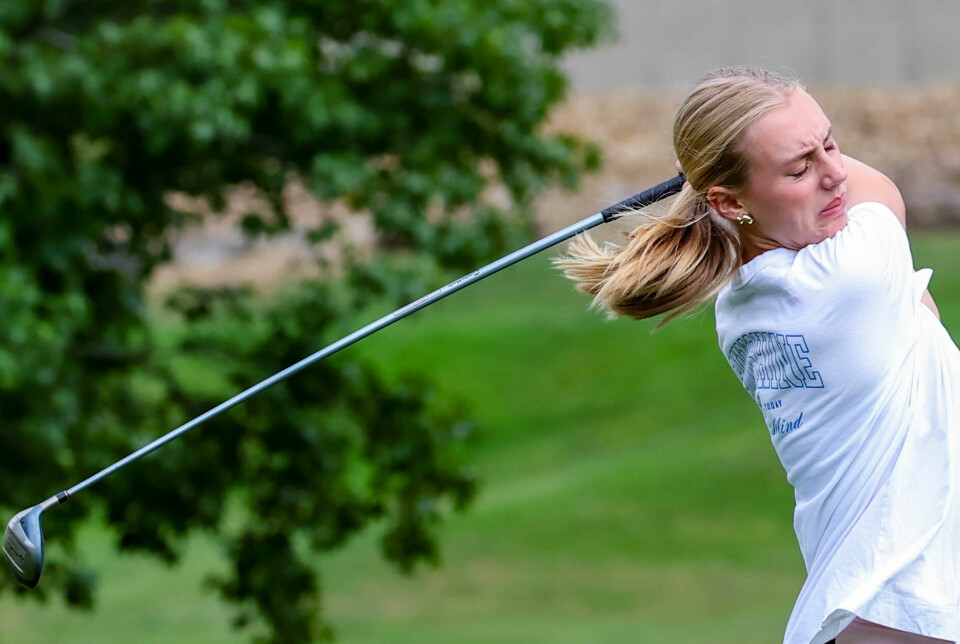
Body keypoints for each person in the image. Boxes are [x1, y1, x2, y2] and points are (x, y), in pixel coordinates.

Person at [555, 66, 960, 644]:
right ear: (727, 199)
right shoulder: (850, 274)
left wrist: (713, 179)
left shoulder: (740, 308)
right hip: (905, 611)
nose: (834, 173)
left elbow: (918, 316)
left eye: (830, 143)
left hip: (873, 614)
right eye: (800, 167)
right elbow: (883, 195)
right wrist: (701, 179)